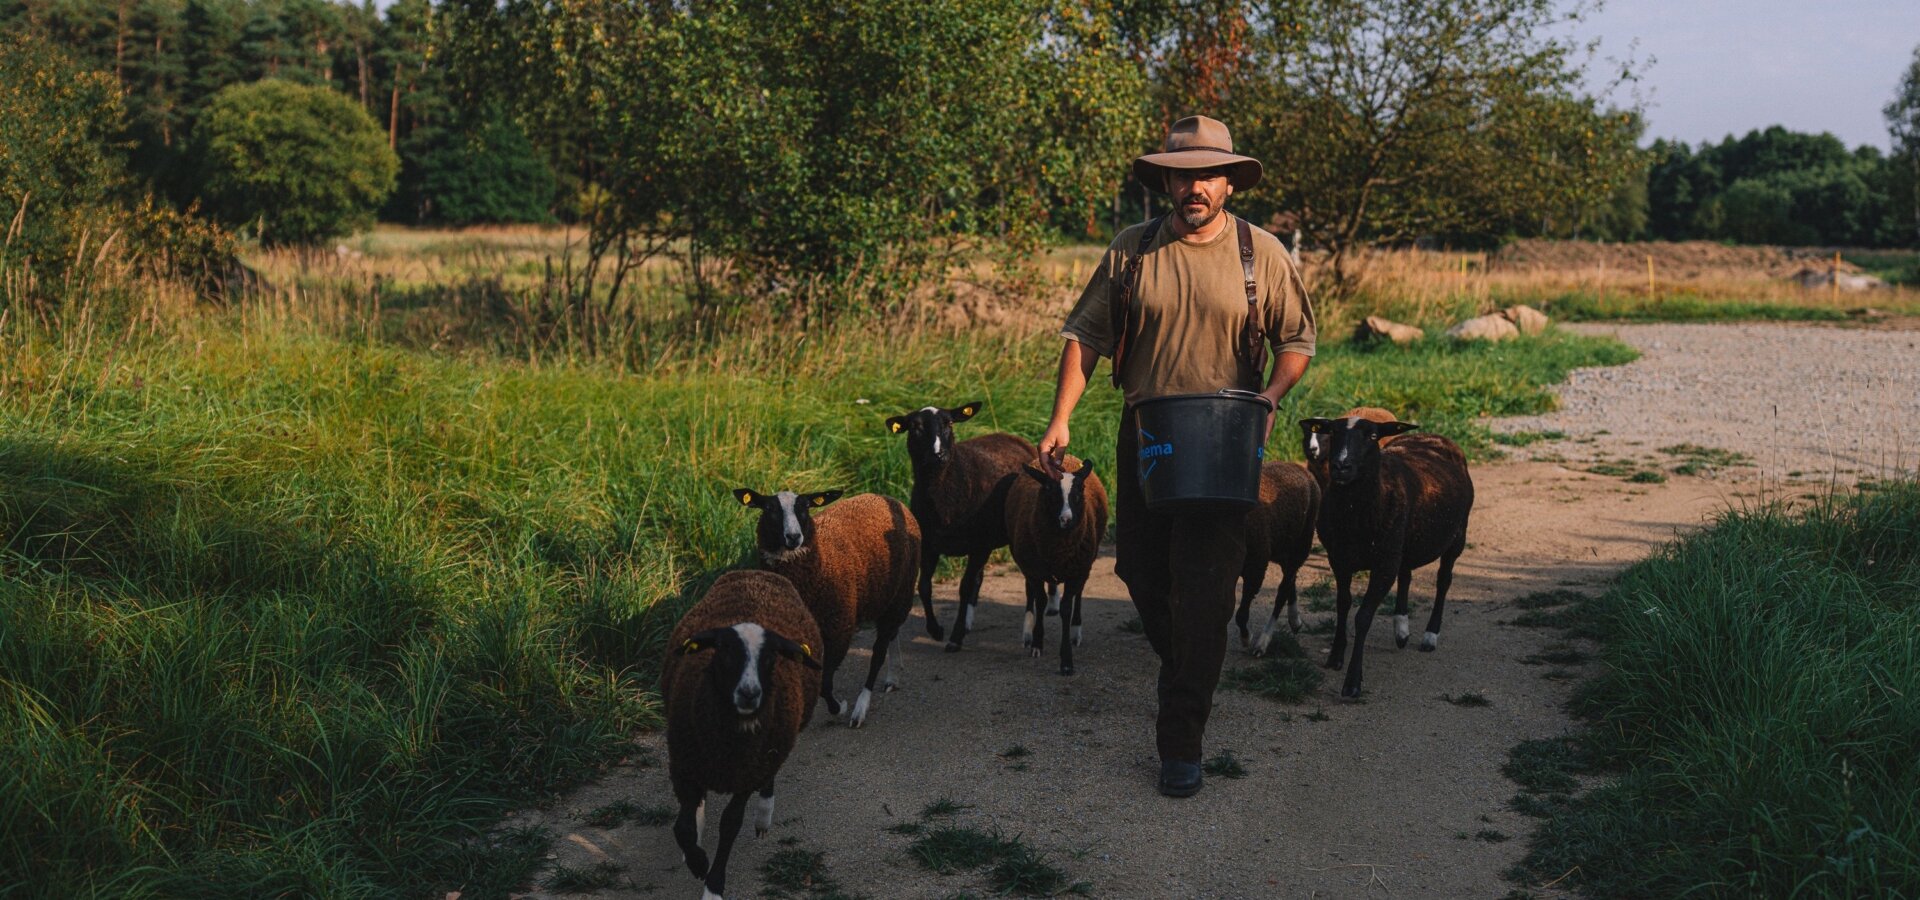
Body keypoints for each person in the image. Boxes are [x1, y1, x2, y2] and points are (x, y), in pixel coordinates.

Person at [1037, 115, 1316, 798]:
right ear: (1166, 179)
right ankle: (1193, 662)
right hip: (1149, 438)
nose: (1195, 186)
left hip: (1225, 442)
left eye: (1207, 175)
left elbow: (1298, 342)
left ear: (1227, 182)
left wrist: (1271, 398)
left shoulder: (1262, 253)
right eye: (1183, 174)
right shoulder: (1132, 252)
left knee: (1206, 589)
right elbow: (1085, 338)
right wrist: (1060, 419)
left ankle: (1181, 738)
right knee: (1138, 570)